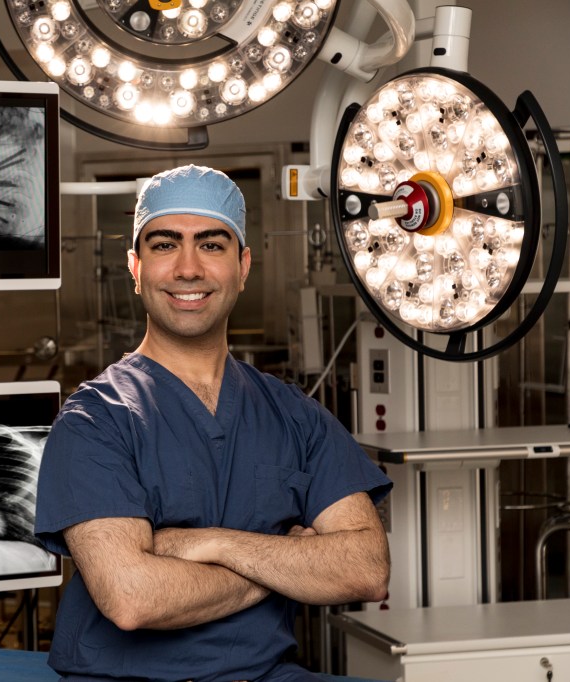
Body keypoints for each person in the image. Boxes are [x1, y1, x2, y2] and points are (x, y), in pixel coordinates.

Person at [34, 164, 393, 682]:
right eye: (163, 245)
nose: (187, 269)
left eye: (211, 244)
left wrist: (218, 544)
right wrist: (290, 563)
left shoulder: (293, 414)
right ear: (135, 269)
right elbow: (132, 598)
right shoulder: (97, 420)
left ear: (243, 266)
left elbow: (366, 569)